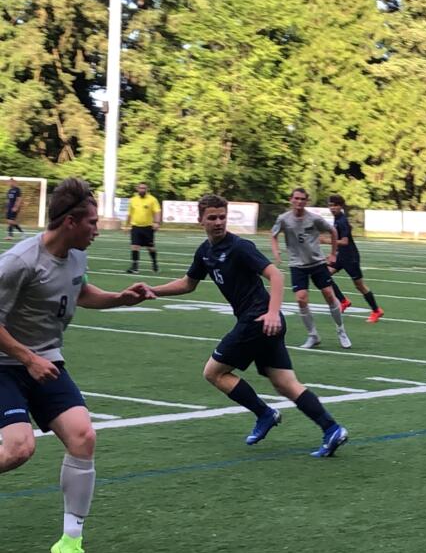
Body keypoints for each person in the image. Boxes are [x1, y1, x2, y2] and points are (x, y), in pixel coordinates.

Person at [0, 178, 156, 553]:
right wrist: (27, 357)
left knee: (84, 436)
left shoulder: (75, 256)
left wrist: (120, 298)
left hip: (46, 362)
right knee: (19, 449)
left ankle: (69, 543)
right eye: (91, 223)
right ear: (70, 221)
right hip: (5, 363)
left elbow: (81, 292)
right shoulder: (19, 261)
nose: (97, 230)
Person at [149, 194, 349, 458]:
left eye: (222, 217)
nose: (218, 222)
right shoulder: (205, 252)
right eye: (212, 218)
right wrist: (152, 291)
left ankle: (264, 413)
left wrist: (273, 313)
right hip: (264, 323)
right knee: (285, 383)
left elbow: (275, 275)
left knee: (214, 373)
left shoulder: (239, 246)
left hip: (257, 320)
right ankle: (331, 428)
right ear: (200, 220)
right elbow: (188, 283)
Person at [270, 188, 351, 349]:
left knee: (329, 294)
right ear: (291, 199)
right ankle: (313, 335)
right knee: (301, 299)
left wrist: (333, 253)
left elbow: (333, 231)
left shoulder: (314, 219)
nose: (299, 202)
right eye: (296, 198)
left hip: (317, 263)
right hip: (297, 265)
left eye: (302, 199)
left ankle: (341, 331)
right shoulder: (283, 219)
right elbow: (273, 235)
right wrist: (276, 251)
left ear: (306, 201)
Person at [324, 195, 383, 323]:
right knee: (324, 275)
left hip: (350, 257)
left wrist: (326, 241)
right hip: (341, 256)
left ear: (340, 206)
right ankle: (343, 301)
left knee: (359, 285)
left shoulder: (342, 221)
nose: (332, 208)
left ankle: (376, 310)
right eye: (330, 205)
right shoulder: (337, 218)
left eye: (335, 205)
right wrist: (333, 254)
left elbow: (344, 241)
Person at [125, 182, 162, 273]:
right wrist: (126, 225)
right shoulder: (133, 200)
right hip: (135, 227)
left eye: (144, 188)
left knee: (150, 247)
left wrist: (156, 222)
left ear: (147, 189)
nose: (142, 190)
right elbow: (129, 214)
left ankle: (154, 263)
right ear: (137, 189)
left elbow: (157, 211)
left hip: (148, 227)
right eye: (140, 188)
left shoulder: (152, 200)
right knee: (134, 246)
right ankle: (135, 267)